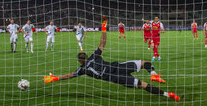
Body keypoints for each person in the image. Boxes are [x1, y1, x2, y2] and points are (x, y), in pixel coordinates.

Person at [44, 19, 179, 101]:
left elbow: (69, 76)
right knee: (146, 63)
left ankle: (168, 94)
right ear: (86, 56)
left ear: (80, 61)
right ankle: (154, 74)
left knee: (143, 85)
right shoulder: (94, 56)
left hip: (116, 78)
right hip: (118, 67)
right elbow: (103, 43)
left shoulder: (83, 69)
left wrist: (55, 78)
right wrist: (103, 27)